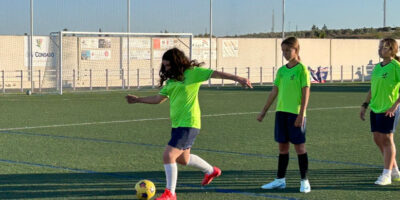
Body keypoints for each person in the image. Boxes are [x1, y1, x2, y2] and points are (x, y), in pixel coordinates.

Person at [126, 48, 252, 200]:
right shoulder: (172, 81)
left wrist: (239, 78)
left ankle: (170, 193)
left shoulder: (193, 72)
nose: (165, 68)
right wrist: (138, 99)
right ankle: (211, 171)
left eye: (168, 65)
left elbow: (216, 73)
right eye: (164, 65)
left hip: (189, 123)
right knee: (182, 159)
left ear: (177, 62)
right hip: (177, 125)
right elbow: (158, 99)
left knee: (168, 155)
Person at [257, 37, 311, 193]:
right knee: (282, 147)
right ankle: (280, 180)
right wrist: (264, 111)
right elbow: (274, 91)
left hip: (296, 114)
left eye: (288, 50)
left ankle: (304, 180)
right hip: (281, 113)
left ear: (296, 50)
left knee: (300, 147)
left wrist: (301, 114)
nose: (285, 53)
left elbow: (306, 92)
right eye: (283, 51)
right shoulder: (281, 71)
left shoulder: (302, 69)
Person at [360, 38, 400, 185]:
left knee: (387, 140)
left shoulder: (396, 67)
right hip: (375, 108)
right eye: (380, 47)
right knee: (377, 139)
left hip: (389, 109)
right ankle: (394, 170)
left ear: (392, 50)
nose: (380, 50)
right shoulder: (377, 67)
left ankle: (386, 175)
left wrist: (395, 106)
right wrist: (365, 105)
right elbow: (373, 88)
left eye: (383, 47)